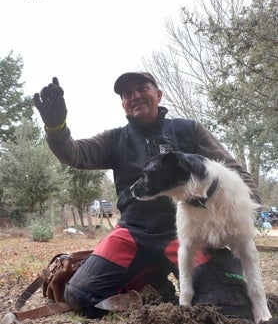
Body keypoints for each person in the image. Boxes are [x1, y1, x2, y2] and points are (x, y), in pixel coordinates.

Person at [34, 72, 259, 319]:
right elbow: (74, 154)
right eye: (127, 94)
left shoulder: (189, 131)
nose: (135, 96)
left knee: (229, 302)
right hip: (131, 233)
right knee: (80, 295)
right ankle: (151, 284)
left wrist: (246, 214)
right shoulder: (115, 139)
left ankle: (160, 276)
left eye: (142, 88)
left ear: (158, 95)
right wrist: (56, 129)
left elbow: (235, 173)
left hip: (186, 234)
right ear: (123, 105)